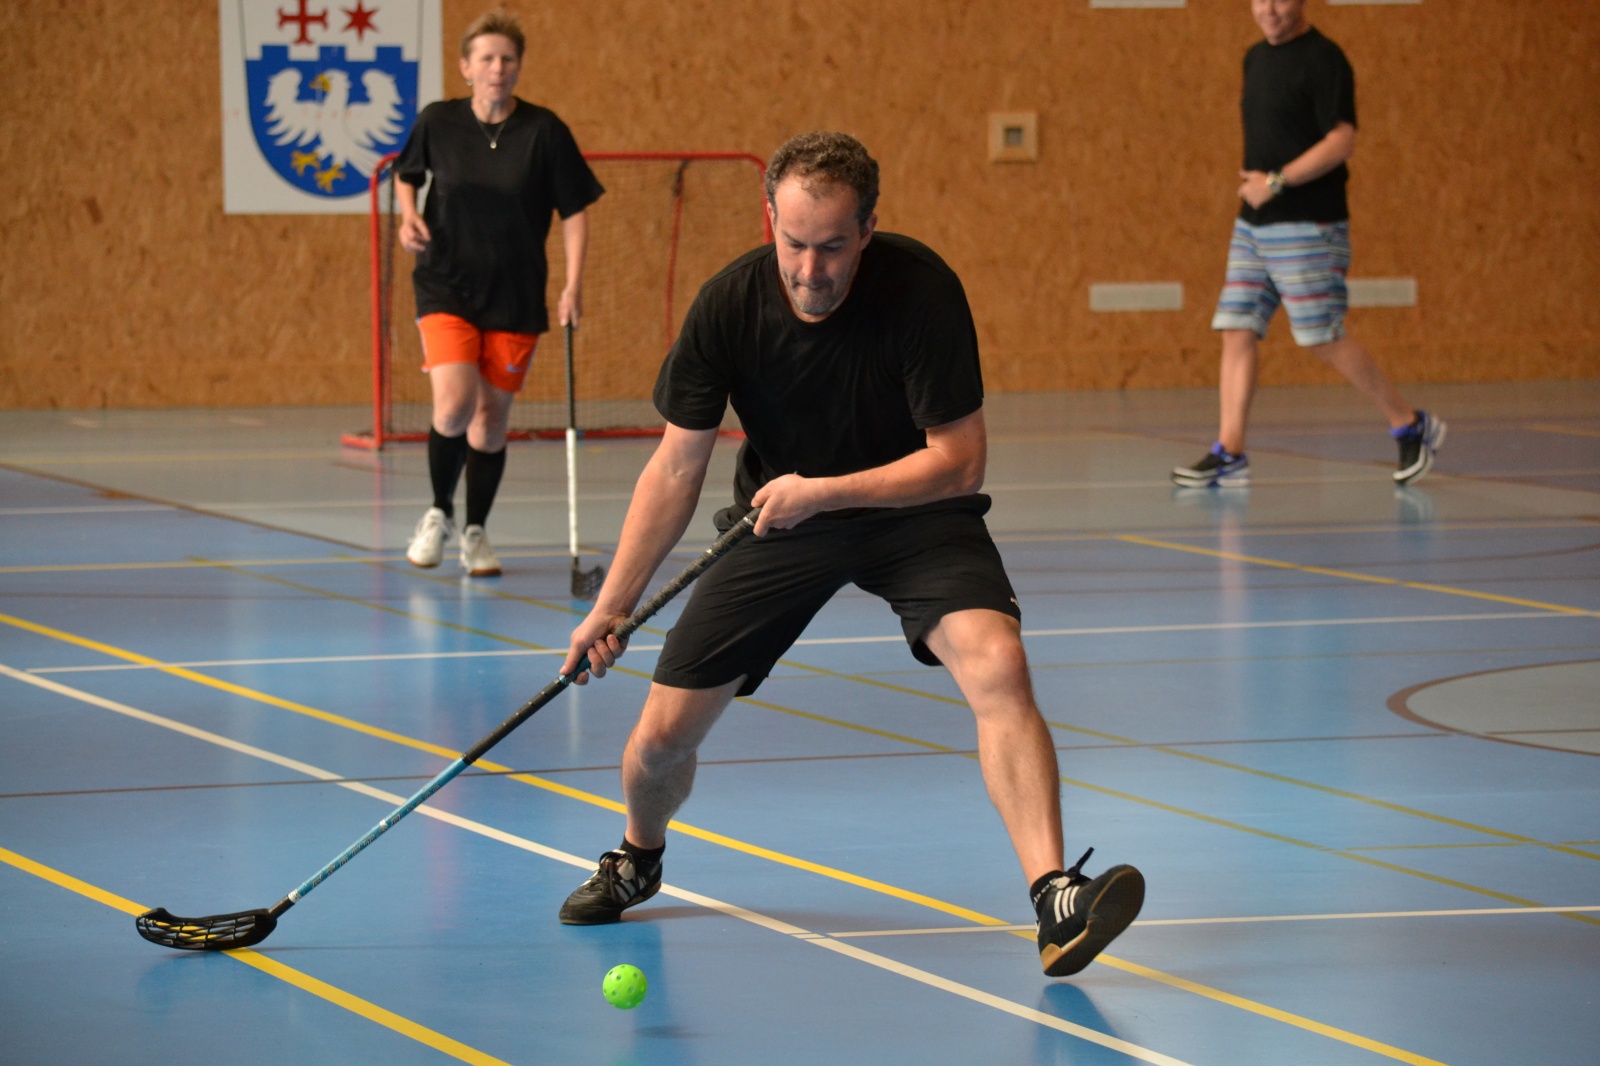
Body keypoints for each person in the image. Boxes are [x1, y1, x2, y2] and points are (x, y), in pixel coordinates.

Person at [553, 131, 1143, 979]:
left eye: (832, 247)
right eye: (793, 243)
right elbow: (676, 468)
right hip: (779, 522)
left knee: (999, 662)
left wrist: (824, 490)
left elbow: (959, 462)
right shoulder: (728, 306)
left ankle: (1054, 895)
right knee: (660, 740)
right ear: (769, 218)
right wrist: (612, 605)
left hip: (911, 510)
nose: (810, 269)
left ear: (868, 228)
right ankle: (639, 855)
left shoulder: (921, 291)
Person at [1172, 0, 1444, 490]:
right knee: (1236, 328)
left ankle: (1409, 423)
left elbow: (1341, 140)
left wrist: (1276, 182)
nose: (1269, 10)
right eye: (1260, 0)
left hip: (1308, 222)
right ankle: (1229, 451)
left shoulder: (1325, 59)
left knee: (1321, 336)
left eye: (1280, 0)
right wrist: (1260, 189)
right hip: (1254, 223)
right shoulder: (1255, 58)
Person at [394, 11, 603, 575]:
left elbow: (575, 212)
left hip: (515, 294)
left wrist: (573, 284)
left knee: (489, 420)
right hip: (445, 283)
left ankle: (476, 532)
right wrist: (408, 216)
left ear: (518, 67)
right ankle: (438, 512)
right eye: (485, 58)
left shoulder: (544, 131)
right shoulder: (438, 121)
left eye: (507, 59)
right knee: (454, 402)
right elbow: (406, 173)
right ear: (466, 67)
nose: (497, 68)